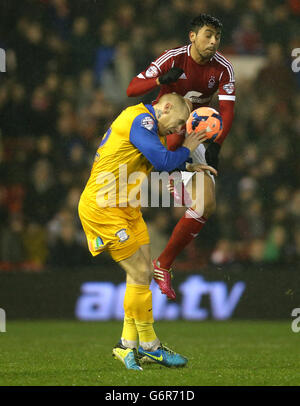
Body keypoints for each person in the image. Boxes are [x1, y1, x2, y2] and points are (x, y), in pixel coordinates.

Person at [78, 93, 213, 371]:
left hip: (127, 208)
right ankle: (151, 347)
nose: (180, 129)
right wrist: (187, 147)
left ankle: (126, 346)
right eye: (179, 122)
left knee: (140, 276)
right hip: (103, 208)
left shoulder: (150, 129)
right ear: (164, 108)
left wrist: (188, 165)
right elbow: (163, 161)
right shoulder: (140, 119)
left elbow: (158, 162)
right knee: (139, 273)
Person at [127, 14, 235, 300]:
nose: (213, 42)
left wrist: (217, 144)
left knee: (206, 206)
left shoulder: (223, 69)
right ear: (192, 36)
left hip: (195, 131)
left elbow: (227, 112)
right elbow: (131, 89)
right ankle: (174, 171)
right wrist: (161, 79)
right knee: (172, 142)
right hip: (166, 128)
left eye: (217, 37)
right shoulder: (172, 58)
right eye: (208, 35)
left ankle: (163, 264)